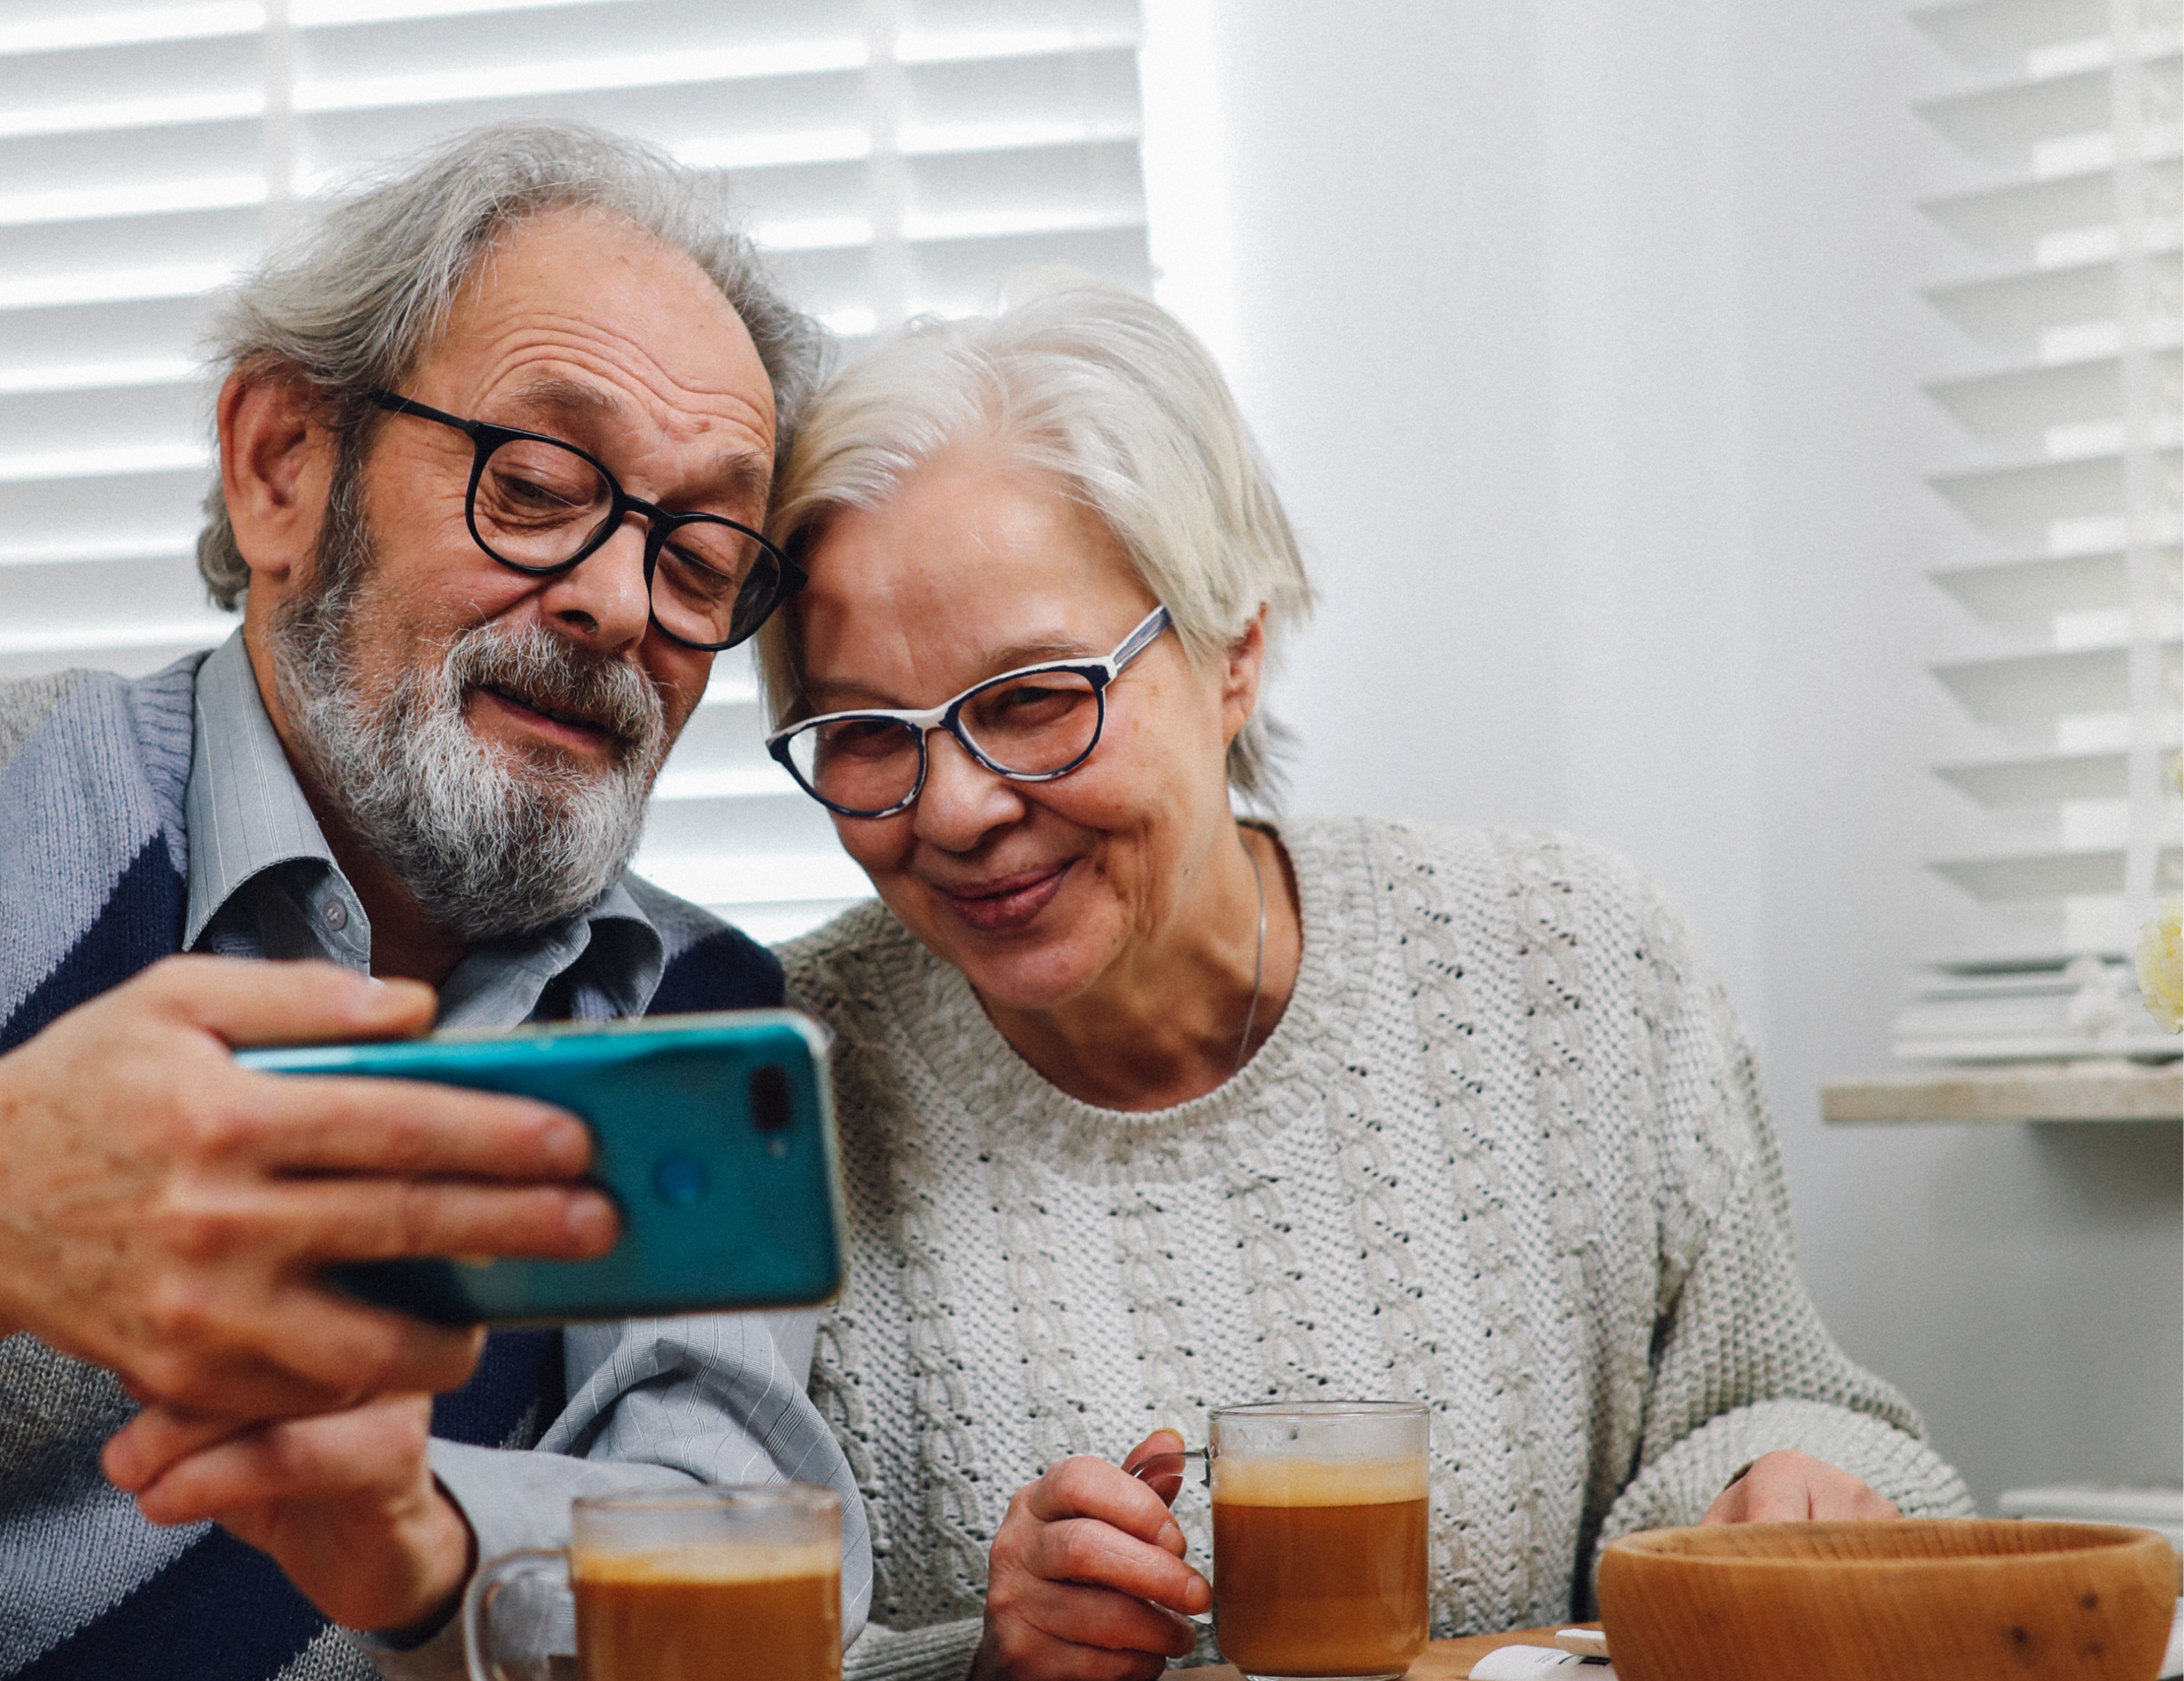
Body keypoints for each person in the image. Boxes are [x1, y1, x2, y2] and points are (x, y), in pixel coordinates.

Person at [0, 120, 866, 1680]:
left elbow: (756, 1573)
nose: (622, 602)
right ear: (281, 468)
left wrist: (430, 1549)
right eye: (540, 480)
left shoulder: (693, 1016)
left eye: (700, 554)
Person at [753, 280, 1975, 1681]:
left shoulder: (1573, 964)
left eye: (1034, 698)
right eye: (860, 730)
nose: (955, 807)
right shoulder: (777, 1087)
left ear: (1234, 650)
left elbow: (1797, 1411)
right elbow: (673, 1638)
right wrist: (979, 1661)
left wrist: (1782, 1484)